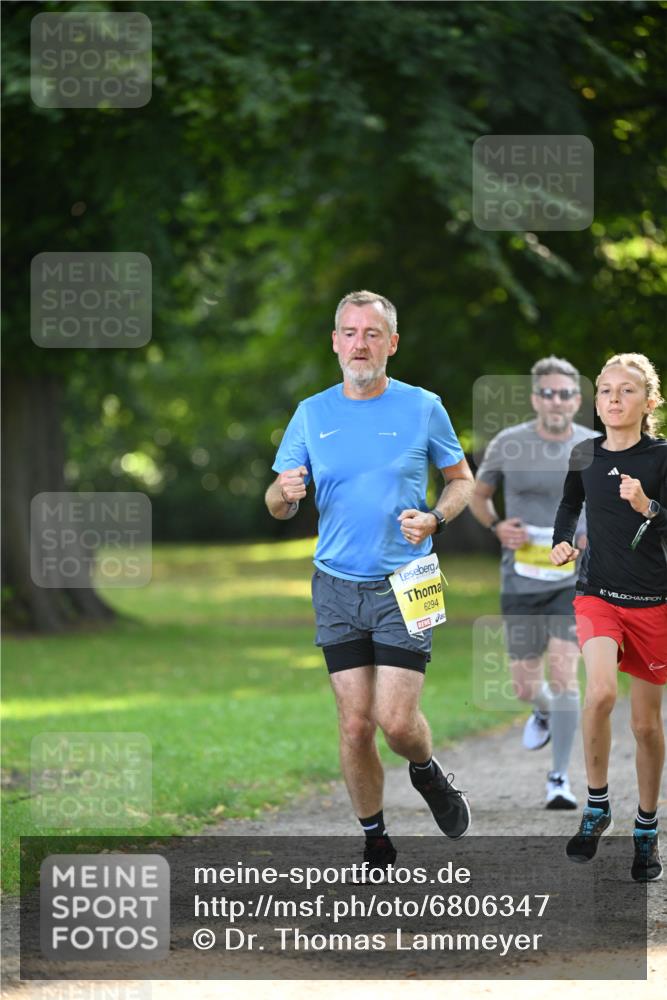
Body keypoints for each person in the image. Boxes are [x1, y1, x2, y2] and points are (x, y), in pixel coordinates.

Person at [265, 290, 474, 868]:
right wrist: (283, 495)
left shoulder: (423, 407)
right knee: (356, 724)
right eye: (350, 333)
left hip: (411, 579)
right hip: (335, 584)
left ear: (392, 344)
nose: (361, 344)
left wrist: (435, 516)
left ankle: (427, 772)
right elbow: (277, 501)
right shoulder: (311, 413)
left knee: (398, 723)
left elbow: (462, 480)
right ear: (335, 342)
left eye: (373, 334)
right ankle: (375, 837)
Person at [551, 353, 666, 882]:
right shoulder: (584, 453)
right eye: (604, 391)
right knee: (599, 693)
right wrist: (559, 542)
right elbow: (569, 505)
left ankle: (646, 828)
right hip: (598, 594)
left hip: (653, 604)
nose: (613, 400)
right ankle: (597, 806)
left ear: (648, 402)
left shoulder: (662, 458)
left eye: (625, 391)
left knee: (645, 725)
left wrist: (649, 507)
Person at [471, 357, 591, 809]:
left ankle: (558, 779)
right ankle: (542, 711)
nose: (556, 401)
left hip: (571, 579)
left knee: (564, 673)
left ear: (577, 400)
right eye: (548, 393)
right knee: (525, 685)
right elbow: (479, 498)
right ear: (535, 398)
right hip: (520, 578)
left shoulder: (593, 447)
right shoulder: (508, 443)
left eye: (565, 394)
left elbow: (605, 508)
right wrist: (498, 527)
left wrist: (588, 534)